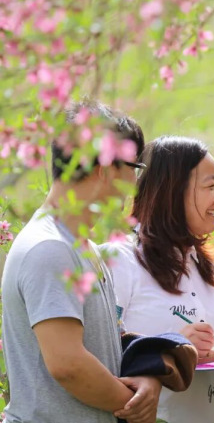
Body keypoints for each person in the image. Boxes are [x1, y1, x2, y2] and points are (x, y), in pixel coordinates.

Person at [1, 100, 162, 423]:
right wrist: (134, 406)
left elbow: (106, 348)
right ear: (105, 169)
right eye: (133, 168)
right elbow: (68, 364)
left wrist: (147, 380)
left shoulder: (81, 248)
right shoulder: (49, 248)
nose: (134, 185)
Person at [102, 136, 214, 423]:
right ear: (173, 192)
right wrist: (171, 348)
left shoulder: (207, 270)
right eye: (210, 186)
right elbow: (98, 359)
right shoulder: (120, 260)